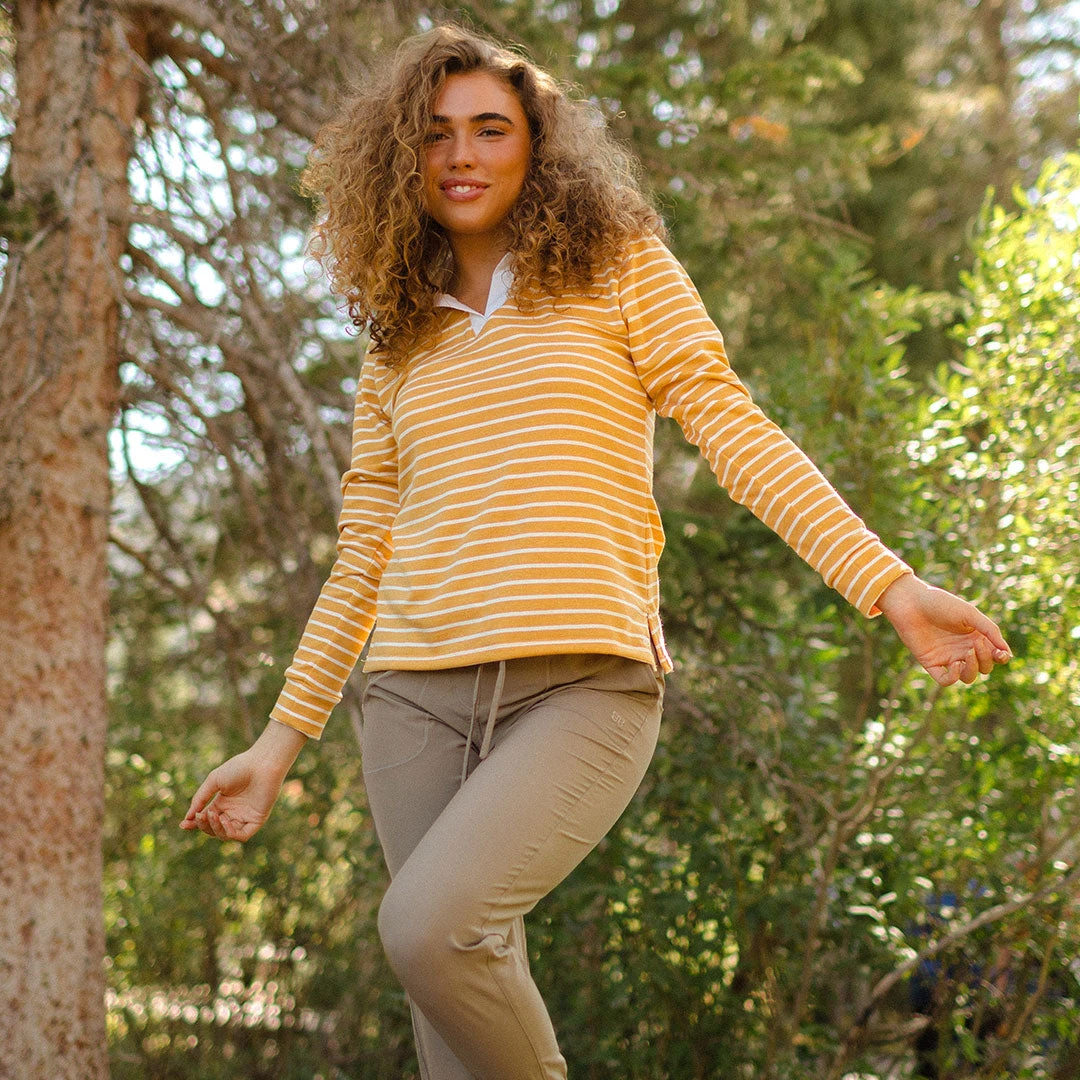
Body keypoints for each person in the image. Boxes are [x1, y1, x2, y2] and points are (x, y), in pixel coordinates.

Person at [181, 25, 1012, 1080]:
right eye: (434, 134)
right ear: (400, 157)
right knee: (450, 1034)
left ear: (537, 146)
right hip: (411, 699)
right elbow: (364, 554)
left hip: (584, 687)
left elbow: (734, 430)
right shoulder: (396, 340)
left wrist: (887, 585)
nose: (462, 155)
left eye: (491, 129)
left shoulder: (617, 267)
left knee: (428, 931)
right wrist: (277, 743)